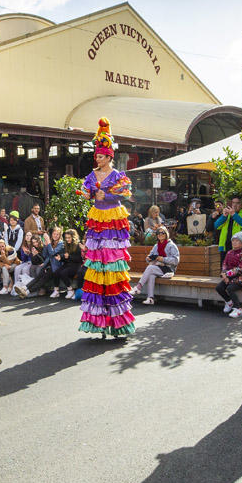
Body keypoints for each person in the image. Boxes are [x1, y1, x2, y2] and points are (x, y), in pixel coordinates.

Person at [79, 118, 135, 338]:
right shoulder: (92, 175)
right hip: (97, 221)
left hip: (112, 220)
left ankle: (117, 324)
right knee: (97, 271)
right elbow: (86, 191)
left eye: (100, 156)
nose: (98, 159)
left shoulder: (119, 175)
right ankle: (99, 324)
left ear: (109, 156)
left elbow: (126, 194)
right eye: (97, 156)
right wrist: (90, 194)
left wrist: (108, 195)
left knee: (113, 269)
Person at [132, 226, 178, 306]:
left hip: (168, 269)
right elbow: (150, 256)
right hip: (158, 267)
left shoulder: (171, 245)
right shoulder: (156, 246)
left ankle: (138, 287)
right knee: (151, 275)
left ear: (166, 234)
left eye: (162, 233)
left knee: (150, 268)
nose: (160, 234)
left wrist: (162, 259)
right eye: (158, 233)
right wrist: (148, 258)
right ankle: (150, 298)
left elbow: (175, 260)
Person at [215, 231, 242, 318]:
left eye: (237, 241)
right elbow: (224, 264)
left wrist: (227, 275)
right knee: (219, 287)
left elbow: (240, 268)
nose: (234, 242)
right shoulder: (229, 252)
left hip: (241, 277)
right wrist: (223, 274)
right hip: (228, 276)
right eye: (233, 240)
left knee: (230, 288)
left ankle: (238, 309)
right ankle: (229, 302)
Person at [213, 195, 242, 267]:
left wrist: (234, 215)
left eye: (237, 203)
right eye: (233, 203)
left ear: (241, 205)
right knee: (224, 268)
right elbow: (216, 226)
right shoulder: (227, 214)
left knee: (236, 268)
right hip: (225, 246)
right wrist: (224, 216)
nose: (235, 205)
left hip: (238, 247)